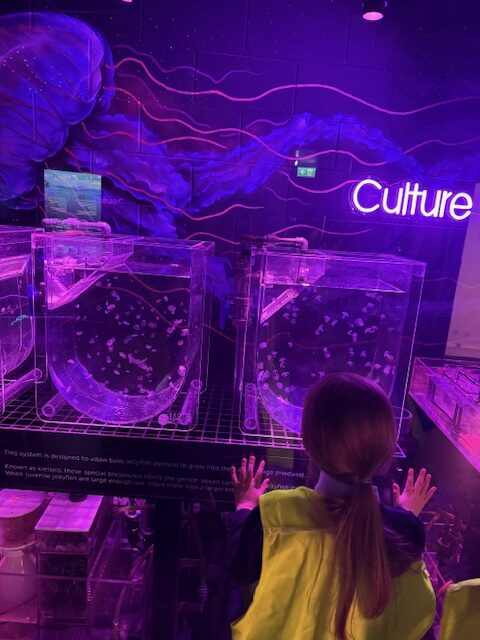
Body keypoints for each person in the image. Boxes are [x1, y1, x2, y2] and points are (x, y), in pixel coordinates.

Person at [228, 373, 437, 640]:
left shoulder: (273, 514)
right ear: (387, 450)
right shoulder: (405, 529)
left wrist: (245, 505)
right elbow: (414, 612)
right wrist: (406, 515)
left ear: (305, 441)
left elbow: (239, 568)